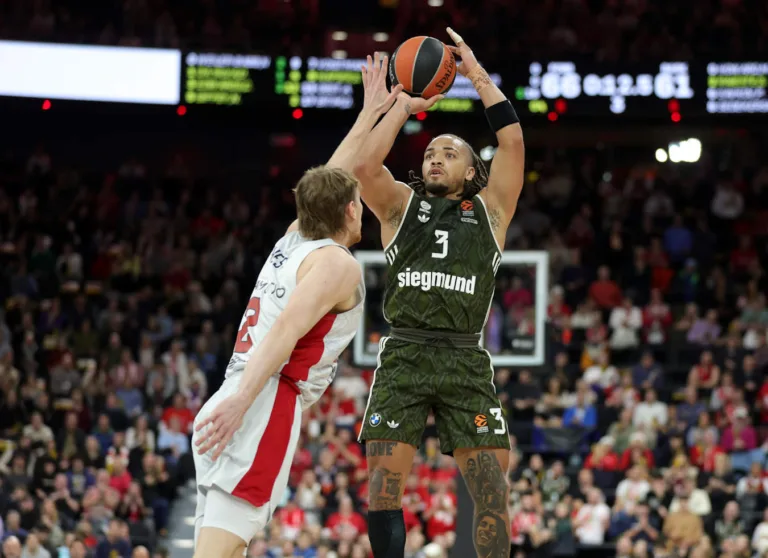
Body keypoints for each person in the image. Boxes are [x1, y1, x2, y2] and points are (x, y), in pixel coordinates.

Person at [190, 54, 401, 558]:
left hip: (232, 392)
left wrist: (376, 109)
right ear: (351, 210)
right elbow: (286, 333)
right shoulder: (337, 265)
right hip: (260, 402)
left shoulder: (295, 237)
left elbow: (332, 176)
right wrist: (245, 403)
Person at [354, 28, 525, 558]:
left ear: (473, 170)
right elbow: (363, 167)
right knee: (383, 486)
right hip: (404, 353)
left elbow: (514, 142)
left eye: (448, 153)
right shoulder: (400, 207)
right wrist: (404, 104)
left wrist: (475, 75)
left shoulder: (492, 212)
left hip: (464, 359)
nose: (434, 158)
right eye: (429, 152)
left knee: (493, 491)